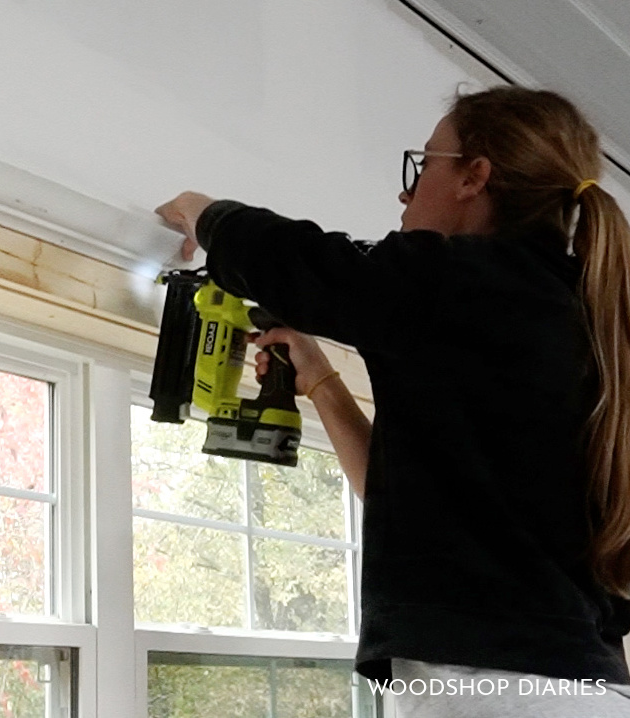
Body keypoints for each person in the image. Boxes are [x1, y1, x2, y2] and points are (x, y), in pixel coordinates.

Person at [155, 86, 630, 717]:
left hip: (490, 687)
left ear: (475, 176)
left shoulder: (460, 282)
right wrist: (322, 381)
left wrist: (202, 213)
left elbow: (311, 265)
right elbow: (406, 498)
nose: (406, 192)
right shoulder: (577, 314)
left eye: (424, 163)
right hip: (567, 687)